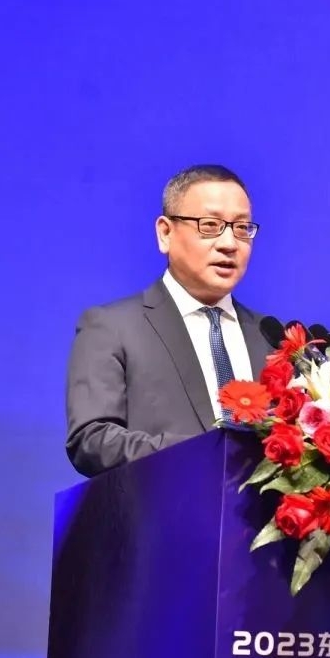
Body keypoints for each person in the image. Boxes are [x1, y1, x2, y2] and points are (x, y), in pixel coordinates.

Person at [64, 164, 276, 477]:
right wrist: (206, 454)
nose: (229, 243)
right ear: (165, 233)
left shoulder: (271, 337)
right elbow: (92, 440)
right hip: (160, 507)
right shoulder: (111, 328)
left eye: (242, 228)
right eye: (210, 225)